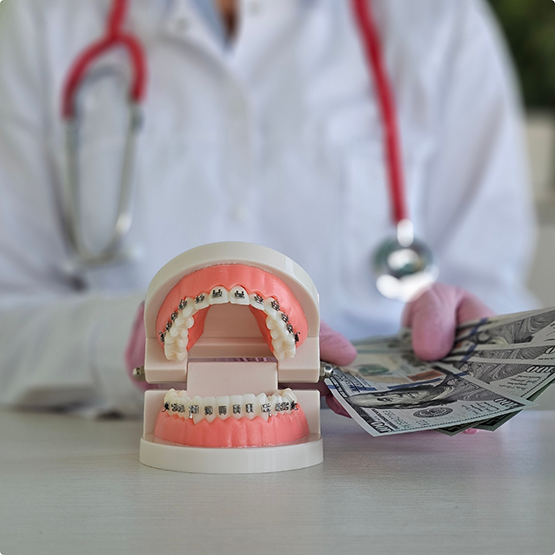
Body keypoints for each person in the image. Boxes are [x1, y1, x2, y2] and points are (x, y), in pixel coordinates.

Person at [0, 0, 536, 417]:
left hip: (385, 484)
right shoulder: (41, 19)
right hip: (117, 475)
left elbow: (497, 292)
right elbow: (9, 315)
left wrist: (476, 344)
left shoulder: (441, 21)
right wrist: (126, 340)